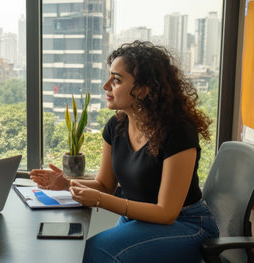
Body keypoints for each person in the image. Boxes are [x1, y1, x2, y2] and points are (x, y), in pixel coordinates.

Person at [30, 41, 219, 263]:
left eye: (116, 80)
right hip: (138, 221)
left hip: (187, 224)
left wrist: (99, 200)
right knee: (76, 248)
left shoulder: (178, 132)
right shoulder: (116, 127)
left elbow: (166, 213)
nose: (106, 86)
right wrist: (67, 184)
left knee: (97, 252)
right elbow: (104, 185)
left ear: (143, 89)